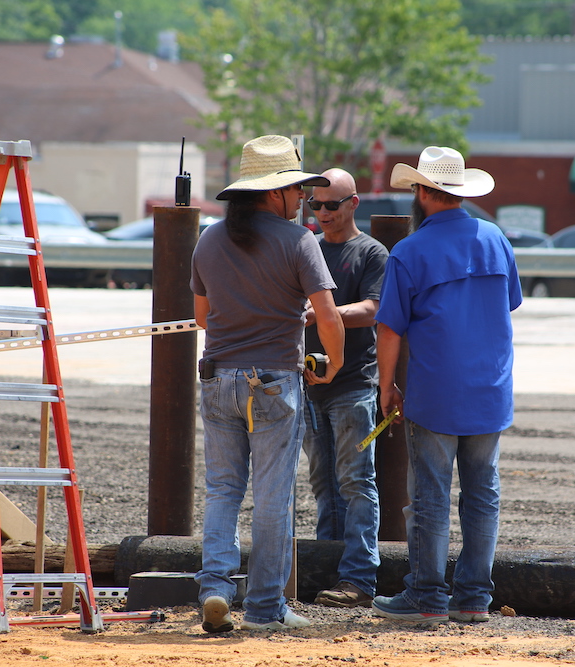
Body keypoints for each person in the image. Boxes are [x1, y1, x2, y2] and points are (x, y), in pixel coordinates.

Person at [190, 135, 345, 633]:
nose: (303, 199)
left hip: (217, 379)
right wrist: (334, 364)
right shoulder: (299, 241)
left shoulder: (209, 239)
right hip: (273, 381)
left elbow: (202, 319)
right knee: (273, 497)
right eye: (298, 190)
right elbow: (327, 314)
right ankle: (264, 608)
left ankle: (215, 588)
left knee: (222, 491)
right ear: (275, 193)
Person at [371, 146, 522, 625]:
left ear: (420, 192)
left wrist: (386, 386)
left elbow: (389, 329)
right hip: (491, 389)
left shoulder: (409, 251)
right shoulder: (496, 237)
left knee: (432, 496)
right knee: (482, 493)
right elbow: (511, 303)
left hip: (436, 391)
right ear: (458, 192)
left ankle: (427, 596)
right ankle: (475, 598)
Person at [302, 168, 388, 608]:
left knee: (355, 480)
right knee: (323, 482)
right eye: (315, 205)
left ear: (354, 203)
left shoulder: (371, 252)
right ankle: (329, 566)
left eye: (330, 205)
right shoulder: (309, 247)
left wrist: (323, 313)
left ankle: (358, 578)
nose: (321, 213)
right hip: (311, 384)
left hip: (354, 383)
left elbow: (374, 308)